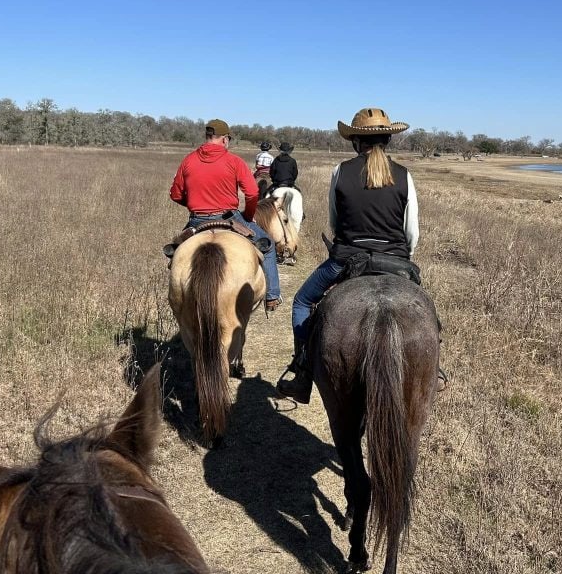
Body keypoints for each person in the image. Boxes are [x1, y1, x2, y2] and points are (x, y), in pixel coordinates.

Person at [277, 107, 420, 403]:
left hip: (346, 258)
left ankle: (302, 371)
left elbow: (334, 220)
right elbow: (412, 233)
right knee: (425, 310)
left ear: (355, 141)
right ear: (389, 140)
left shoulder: (341, 171)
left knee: (302, 301)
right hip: (396, 260)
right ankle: (436, 368)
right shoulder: (405, 175)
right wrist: (403, 259)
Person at [169, 119, 281, 310]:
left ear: (207, 137)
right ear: (224, 139)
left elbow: (175, 194)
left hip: (197, 219)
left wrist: (195, 203)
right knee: (268, 246)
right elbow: (253, 193)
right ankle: (272, 296)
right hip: (229, 217)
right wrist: (248, 215)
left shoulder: (188, 160)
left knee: (174, 253)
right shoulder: (234, 161)